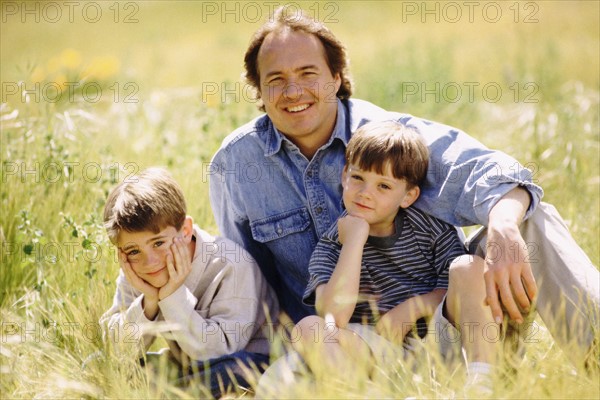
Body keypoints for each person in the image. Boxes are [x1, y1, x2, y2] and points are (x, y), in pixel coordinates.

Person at [208, 6, 599, 368]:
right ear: (259, 91)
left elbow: (492, 172)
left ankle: (594, 357)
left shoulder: (391, 138)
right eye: (276, 79)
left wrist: (505, 229)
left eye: (308, 74)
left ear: (336, 78)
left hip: (452, 330)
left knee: (527, 217)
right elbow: (248, 282)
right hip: (345, 348)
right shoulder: (235, 166)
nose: (294, 91)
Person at [291, 121, 495, 390]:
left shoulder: (430, 227)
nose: (366, 193)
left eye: (383, 187)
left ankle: (482, 381)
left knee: (469, 266)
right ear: (344, 176)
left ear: (408, 196)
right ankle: (364, 395)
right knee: (308, 327)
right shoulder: (333, 244)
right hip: (377, 353)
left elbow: (457, 289)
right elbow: (334, 318)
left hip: (440, 344)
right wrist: (354, 241)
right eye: (358, 178)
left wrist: (413, 308)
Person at [100, 167, 279, 398]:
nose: (150, 262)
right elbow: (115, 351)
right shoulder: (136, 271)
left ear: (185, 230)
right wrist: (150, 302)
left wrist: (171, 296)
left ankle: (168, 394)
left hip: (245, 362)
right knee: (98, 365)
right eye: (133, 250)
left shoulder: (230, 264)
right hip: (187, 368)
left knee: (232, 371)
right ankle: (172, 392)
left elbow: (218, 351)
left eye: (158, 243)